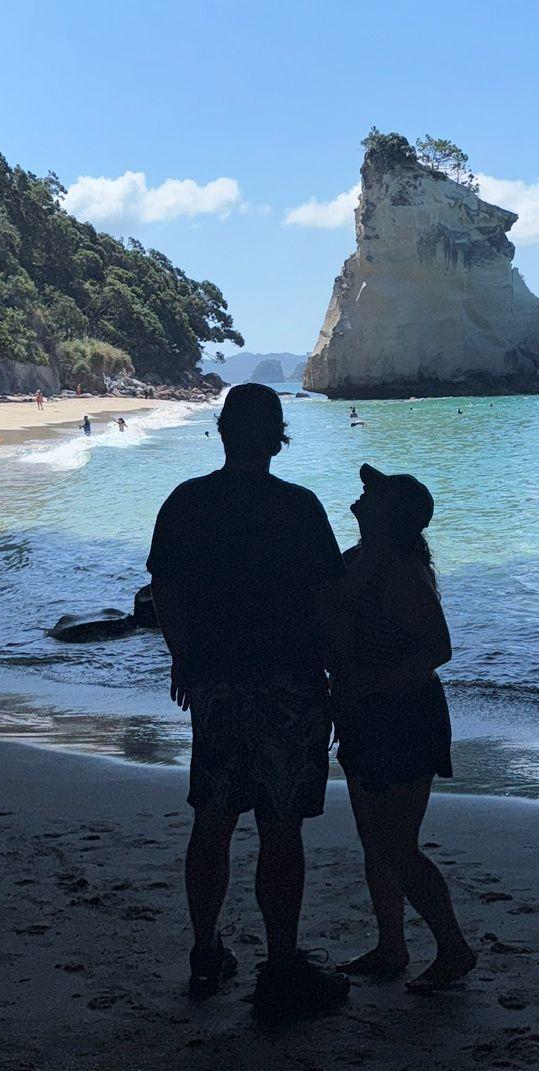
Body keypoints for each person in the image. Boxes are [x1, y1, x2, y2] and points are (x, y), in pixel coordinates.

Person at [148, 383, 349, 1022]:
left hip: (217, 683)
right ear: (278, 435)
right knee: (280, 826)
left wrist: (183, 656)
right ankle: (281, 962)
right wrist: (337, 679)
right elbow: (328, 603)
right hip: (290, 684)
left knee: (213, 817)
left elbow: (165, 590)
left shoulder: (187, 502)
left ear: (223, 431)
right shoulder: (300, 508)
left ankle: (206, 951)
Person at [333, 464, 474, 992]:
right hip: (365, 715)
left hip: (405, 716)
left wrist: (368, 683)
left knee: (397, 846)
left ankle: (454, 948)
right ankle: (391, 946)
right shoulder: (359, 561)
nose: (361, 495)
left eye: (374, 492)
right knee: (375, 842)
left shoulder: (402, 573)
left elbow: (438, 649)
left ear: (392, 516)